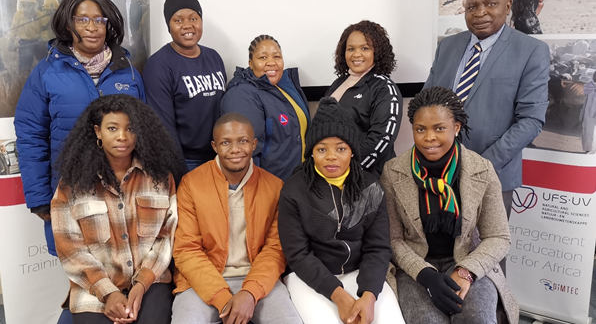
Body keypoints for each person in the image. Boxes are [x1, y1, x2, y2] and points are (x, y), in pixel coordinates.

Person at [14, 0, 145, 258]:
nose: (93, 27)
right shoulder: (47, 72)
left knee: (126, 268)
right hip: (71, 190)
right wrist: (39, 197)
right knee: (83, 276)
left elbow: (145, 131)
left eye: (99, 20)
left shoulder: (128, 72)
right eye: (82, 20)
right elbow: (31, 135)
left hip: (124, 190)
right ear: (68, 23)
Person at [381, 87, 518, 324]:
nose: (429, 137)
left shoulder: (482, 169)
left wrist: (466, 272)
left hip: (468, 260)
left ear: (456, 128)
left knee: (479, 320)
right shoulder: (393, 172)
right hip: (415, 267)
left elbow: (498, 236)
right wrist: (425, 275)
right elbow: (392, 239)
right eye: (420, 129)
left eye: (439, 128)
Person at [424, 0, 550, 218]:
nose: (480, 13)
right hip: (437, 173)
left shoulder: (531, 51)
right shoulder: (447, 46)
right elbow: (426, 104)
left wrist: (479, 167)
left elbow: (531, 121)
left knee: (487, 253)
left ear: (508, 4)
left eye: (490, 4)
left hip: (492, 175)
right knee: (438, 250)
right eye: (472, 7)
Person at [51, 94, 180, 324]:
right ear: (98, 132)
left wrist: (141, 285)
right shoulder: (71, 185)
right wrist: (108, 293)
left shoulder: (161, 178)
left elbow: (165, 238)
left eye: (130, 129)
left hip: (150, 281)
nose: (122, 137)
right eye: (112, 128)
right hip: (93, 288)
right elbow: (70, 248)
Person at [279, 97, 404, 324]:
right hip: (310, 278)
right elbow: (298, 254)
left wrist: (368, 295)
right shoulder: (294, 190)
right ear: (311, 152)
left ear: (352, 151)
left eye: (341, 148)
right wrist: (339, 296)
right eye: (321, 149)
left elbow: (378, 248)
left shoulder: (370, 187)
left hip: (362, 274)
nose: (331, 156)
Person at [171, 113, 302, 324]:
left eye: (242, 141)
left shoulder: (275, 187)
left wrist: (249, 293)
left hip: (258, 279)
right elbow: (186, 250)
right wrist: (224, 299)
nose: (235, 150)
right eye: (225, 143)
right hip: (203, 279)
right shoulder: (191, 184)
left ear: (254, 144)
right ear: (214, 146)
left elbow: (276, 249)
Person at [144, 0, 226, 174]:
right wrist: (179, 172)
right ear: (168, 25)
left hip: (219, 157)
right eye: (178, 20)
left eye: (193, 18)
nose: (187, 26)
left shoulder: (214, 57)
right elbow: (163, 127)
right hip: (186, 161)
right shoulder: (159, 65)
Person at [221, 35, 309, 182]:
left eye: (277, 56)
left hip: (295, 183)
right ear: (251, 63)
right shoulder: (242, 95)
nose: (271, 62)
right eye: (262, 58)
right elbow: (245, 153)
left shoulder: (284, 88)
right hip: (269, 186)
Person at [325, 20, 402, 177]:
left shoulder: (384, 88)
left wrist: (350, 170)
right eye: (351, 49)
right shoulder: (338, 84)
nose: (356, 54)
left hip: (367, 178)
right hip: (333, 174)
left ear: (377, 52)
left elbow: (381, 139)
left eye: (365, 48)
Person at [8, 0, 47, 73]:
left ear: (34, 5)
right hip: (24, 43)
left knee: (45, 65)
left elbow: (45, 28)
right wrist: (11, 42)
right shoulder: (18, 15)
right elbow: (13, 29)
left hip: (38, 42)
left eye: (29, 5)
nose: (27, 8)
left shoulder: (40, 15)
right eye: (24, 5)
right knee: (24, 69)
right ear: (21, 5)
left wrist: (44, 38)